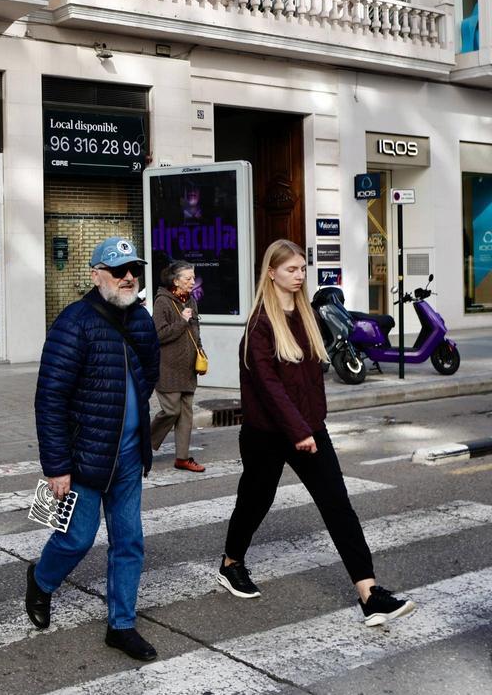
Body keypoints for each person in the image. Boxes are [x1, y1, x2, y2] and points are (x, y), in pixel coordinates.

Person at [217, 239, 415, 627]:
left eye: (303, 268)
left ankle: (369, 594)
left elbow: (311, 381)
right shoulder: (260, 324)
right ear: (270, 272)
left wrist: (314, 424)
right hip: (267, 434)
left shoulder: (307, 314)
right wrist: (298, 430)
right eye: (291, 269)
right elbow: (269, 387)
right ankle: (230, 563)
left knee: (338, 504)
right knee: (256, 501)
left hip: (308, 429)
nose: (299, 275)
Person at [27, 237, 161, 663]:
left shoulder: (140, 320)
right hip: (83, 461)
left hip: (127, 458)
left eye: (133, 271)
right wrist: (57, 465)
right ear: (96, 275)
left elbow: (149, 375)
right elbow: (49, 398)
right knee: (75, 540)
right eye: (119, 270)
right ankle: (41, 580)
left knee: (129, 542)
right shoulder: (74, 322)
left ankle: (121, 625)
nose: (128, 278)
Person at [150, 260, 206, 471]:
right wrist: (181, 320)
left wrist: (200, 350)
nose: (193, 282)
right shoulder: (162, 302)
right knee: (171, 410)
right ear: (175, 280)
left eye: (193, 277)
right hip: (168, 368)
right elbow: (158, 335)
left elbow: (195, 331)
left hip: (188, 368)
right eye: (188, 278)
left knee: (186, 414)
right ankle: (143, 445)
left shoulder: (191, 300)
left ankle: (182, 458)